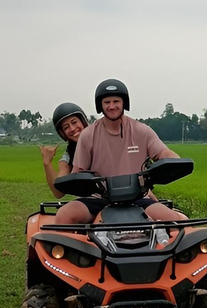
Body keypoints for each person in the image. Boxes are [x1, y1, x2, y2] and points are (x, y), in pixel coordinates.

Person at [55, 78, 188, 224]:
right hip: (98, 198)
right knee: (64, 215)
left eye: (116, 101)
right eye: (107, 102)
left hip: (137, 197)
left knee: (174, 220)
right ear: (100, 105)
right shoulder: (88, 135)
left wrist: (175, 161)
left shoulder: (141, 131)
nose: (111, 106)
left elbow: (163, 153)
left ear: (124, 103)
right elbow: (78, 172)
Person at [40, 102, 88, 199]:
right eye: (66, 127)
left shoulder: (101, 139)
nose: (72, 128)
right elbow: (59, 192)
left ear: (83, 121)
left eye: (74, 122)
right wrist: (47, 162)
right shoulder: (68, 156)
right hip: (88, 202)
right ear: (62, 133)